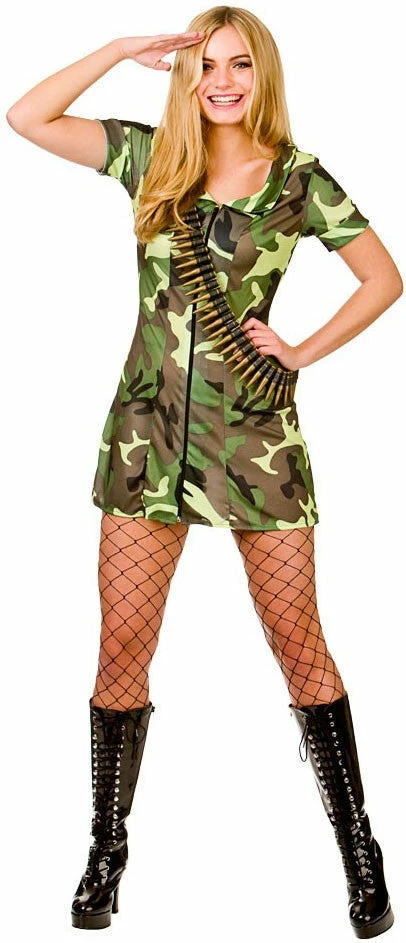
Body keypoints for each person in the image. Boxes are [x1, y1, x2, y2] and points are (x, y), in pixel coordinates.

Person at [6, 5, 402, 936]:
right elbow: (26, 116)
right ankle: (106, 848)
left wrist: (300, 350)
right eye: (207, 65)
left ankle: (361, 849)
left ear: (264, 75)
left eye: (239, 65)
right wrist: (119, 50)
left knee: (299, 643)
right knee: (121, 647)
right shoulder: (153, 159)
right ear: (186, 75)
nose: (222, 81)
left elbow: (384, 278)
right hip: (146, 436)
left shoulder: (299, 180)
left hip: (256, 440)